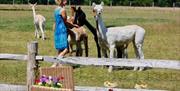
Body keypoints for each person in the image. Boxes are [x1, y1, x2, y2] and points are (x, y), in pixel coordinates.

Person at [52, 0, 78, 67]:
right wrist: (73, 26)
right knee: (66, 49)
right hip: (62, 30)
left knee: (60, 49)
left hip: (57, 30)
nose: (66, 2)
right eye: (65, 0)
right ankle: (55, 64)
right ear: (62, 1)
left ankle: (59, 66)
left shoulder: (56, 10)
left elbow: (56, 21)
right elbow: (65, 22)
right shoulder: (63, 10)